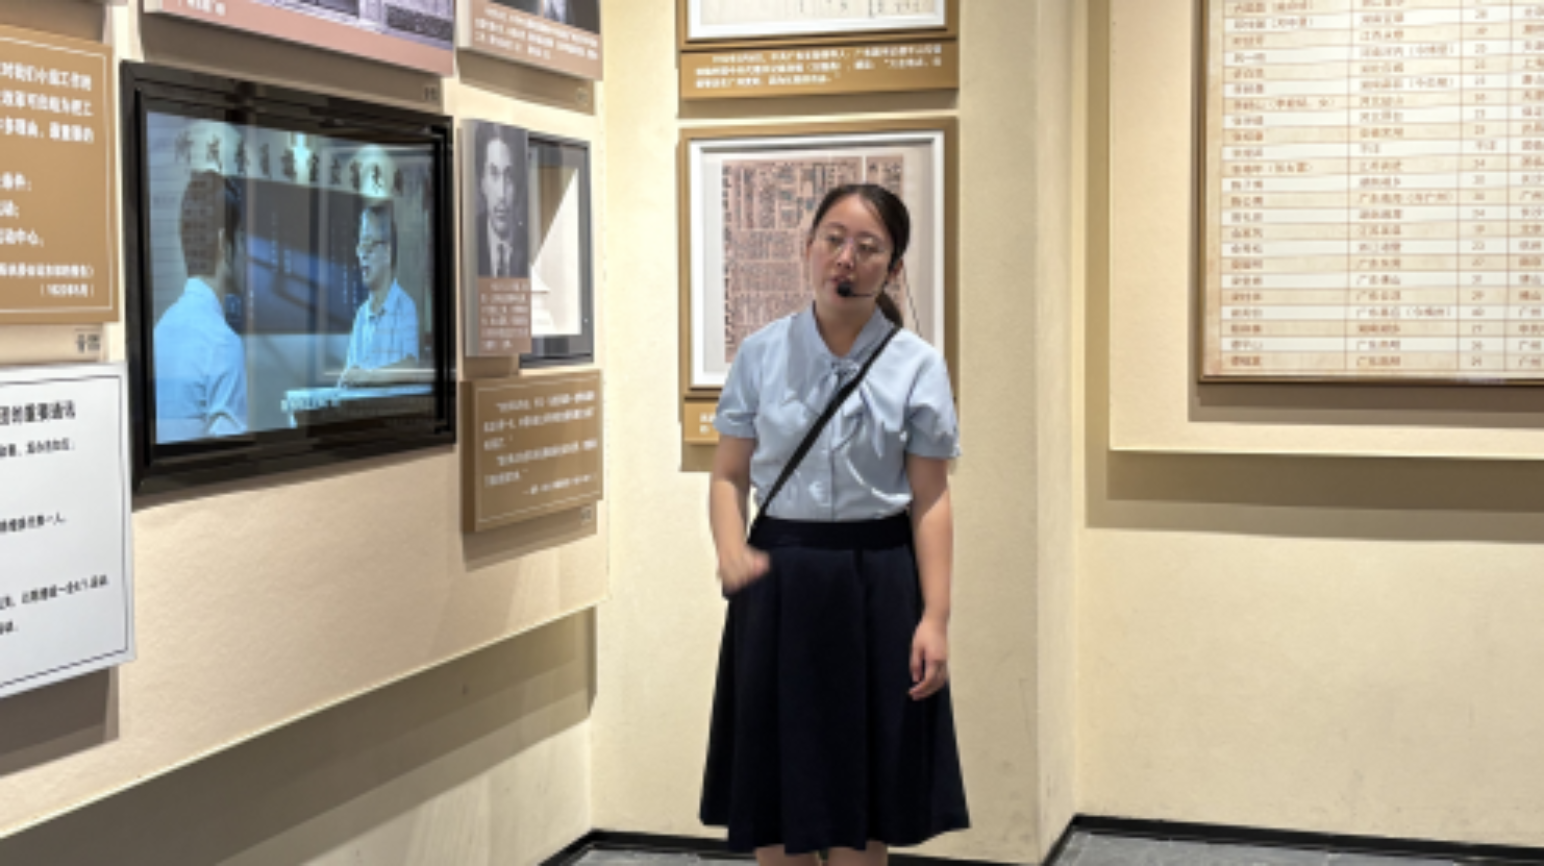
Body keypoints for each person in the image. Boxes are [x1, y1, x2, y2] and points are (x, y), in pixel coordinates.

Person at [700, 184, 969, 866]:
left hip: (877, 580)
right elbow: (728, 475)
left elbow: (930, 499)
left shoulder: (917, 364)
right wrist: (730, 550)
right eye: (833, 240)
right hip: (779, 579)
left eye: (868, 247)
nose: (845, 259)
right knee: (775, 797)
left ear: (894, 268)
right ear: (808, 247)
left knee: (863, 800)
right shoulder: (761, 353)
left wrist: (935, 617)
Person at [154, 171, 249, 443]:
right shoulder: (222, 344)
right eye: (242, 239)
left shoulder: (160, 330)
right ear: (223, 244)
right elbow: (230, 460)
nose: (246, 254)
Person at [339, 200, 421, 387]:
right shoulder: (361, 315)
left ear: (387, 252)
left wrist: (368, 376)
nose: (362, 255)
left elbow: (411, 368)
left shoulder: (405, 306)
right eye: (360, 246)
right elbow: (351, 372)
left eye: (368, 244)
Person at [474, 123, 527, 279]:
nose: (501, 194)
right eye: (494, 174)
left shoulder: (530, 245)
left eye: (509, 176)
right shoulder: (470, 240)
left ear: (518, 184)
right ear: (482, 182)